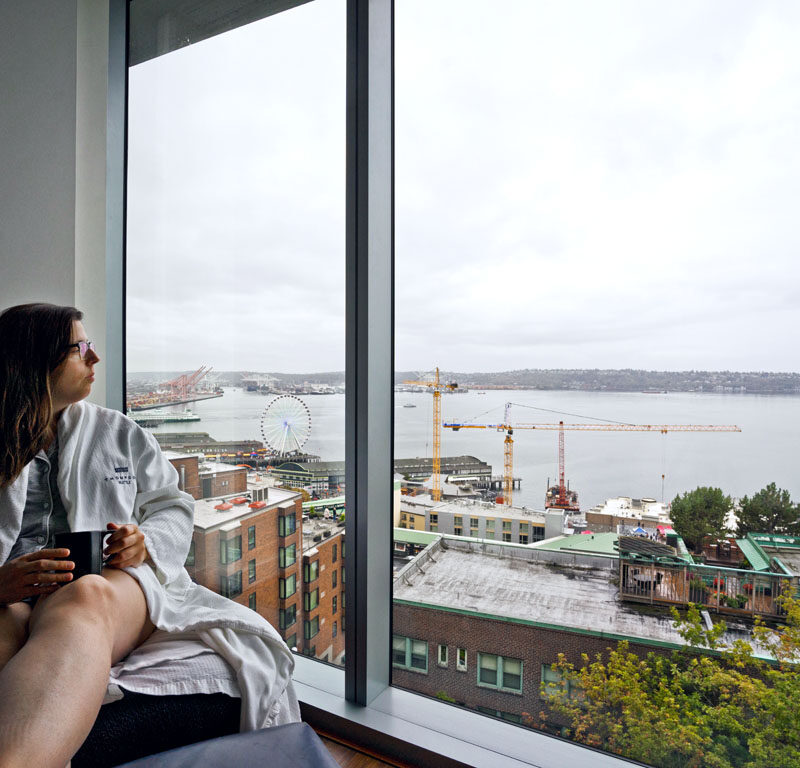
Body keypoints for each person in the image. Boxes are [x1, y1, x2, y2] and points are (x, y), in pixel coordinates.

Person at [0, 304, 297, 768]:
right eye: (80, 349)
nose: (94, 358)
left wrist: (146, 544)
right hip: (13, 596)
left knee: (86, 595)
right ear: (34, 362)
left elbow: (173, 506)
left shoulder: (119, 432)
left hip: (110, 583)